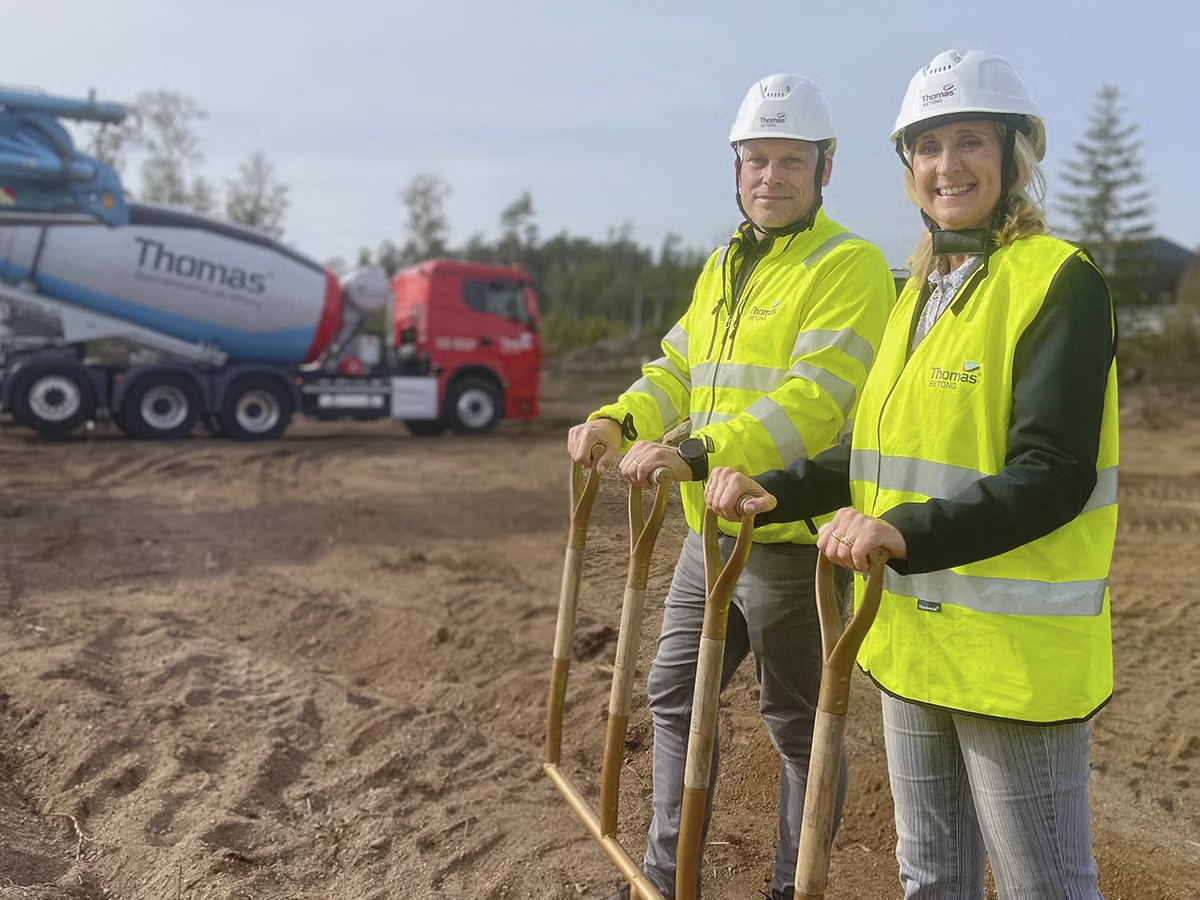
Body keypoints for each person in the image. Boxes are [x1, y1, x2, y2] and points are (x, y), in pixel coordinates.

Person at [706, 49, 1117, 899]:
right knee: (930, 877)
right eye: (927, 147)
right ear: (907, 167)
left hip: (1012, 661)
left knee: (1045, 885)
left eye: (969, 141)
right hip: (909, 640)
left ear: (1013, 156)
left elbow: (1054, 471)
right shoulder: (920, 291)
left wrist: (907, 533)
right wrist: (774, 492)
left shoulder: (1057, 283)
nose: (946, 165)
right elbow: (870, 456)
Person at [567, 73, 895, 900]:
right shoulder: (725, 264)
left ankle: (793, 886)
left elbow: (817, 397)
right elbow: (678, 367)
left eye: (790, 161)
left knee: (799, 730)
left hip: (788, 542)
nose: (770, 178)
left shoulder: (848, 264)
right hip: (706, 541)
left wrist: (702, 451)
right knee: (676, 699)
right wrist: (622, 421)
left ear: (824, 168)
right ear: (736, 168)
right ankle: (665, 877)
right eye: (755, 161)